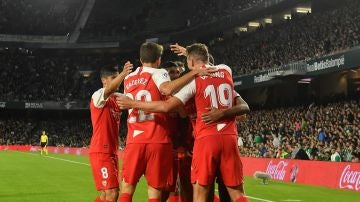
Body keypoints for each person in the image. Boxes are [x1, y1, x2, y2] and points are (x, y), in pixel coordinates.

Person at [118, 43, 250, 202]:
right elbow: (243, 109)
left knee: (199, 192)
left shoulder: (192, 84)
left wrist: (133, 104)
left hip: (202, 141)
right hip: (226, 138)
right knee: (236, 193)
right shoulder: (225, 70)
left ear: (192, 63)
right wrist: (190, 53)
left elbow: (167, 105)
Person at [89, 62, 132, 202]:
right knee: (112, 192)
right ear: (104, 80)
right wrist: (123, 74)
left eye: (118, 76)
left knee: (105, 195)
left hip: (111, 152)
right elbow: (108, 91)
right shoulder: (98, 95)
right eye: (114, 77)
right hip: (101, 150)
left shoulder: (117, 98)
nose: (118, 79)